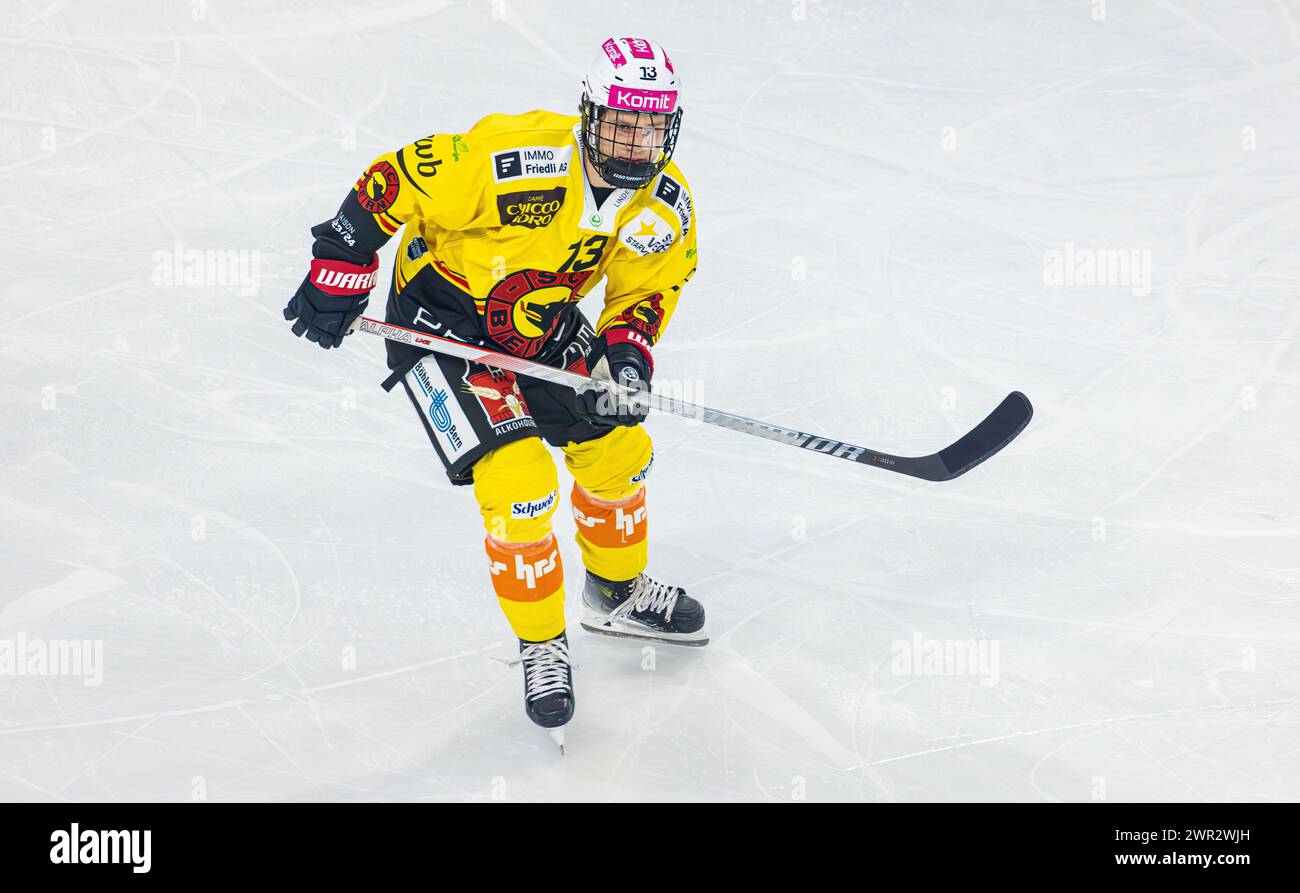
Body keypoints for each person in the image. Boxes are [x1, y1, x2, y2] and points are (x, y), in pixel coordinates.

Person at [282, 37, 704, 747]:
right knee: (519, 484)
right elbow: (397, 177)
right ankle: (542, 641)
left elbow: (650, 286)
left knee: (618, 448)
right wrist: (343, 261)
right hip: (437, 323)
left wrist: (624, 357)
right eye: (621, 123)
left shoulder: (663, 204)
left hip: (533, 323)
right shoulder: (519, 163)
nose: (635, 142)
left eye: (651, 127)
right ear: (588, 115)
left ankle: (617, 590)